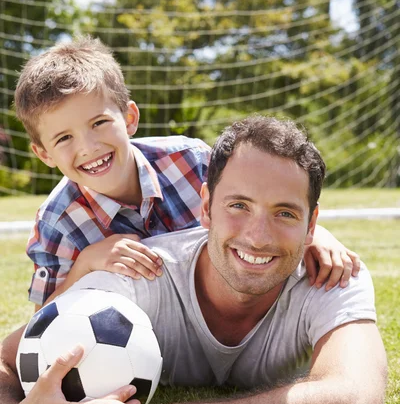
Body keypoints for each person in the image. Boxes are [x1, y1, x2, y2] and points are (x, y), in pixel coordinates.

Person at [0, 115, 387, 404]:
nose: (258, 236)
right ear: (205, 207)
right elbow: (6, 357)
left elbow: (355, 400)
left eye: (285, 213)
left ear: (312, 225)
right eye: (238, 205)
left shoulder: (333, 274)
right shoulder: (139, 277)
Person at [14, 37, 359, 311]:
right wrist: (86, 264)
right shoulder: (56, 222)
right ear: (43, 153)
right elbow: (43, 322)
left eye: (99, 123)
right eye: (64, 138)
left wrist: (317, 236)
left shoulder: (192, 161)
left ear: (130, 118)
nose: (88, 146)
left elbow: (263, 199)